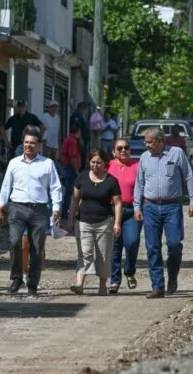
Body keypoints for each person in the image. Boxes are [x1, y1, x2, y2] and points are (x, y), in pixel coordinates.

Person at [133, 127, 193, 299]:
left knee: (175, 244)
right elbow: (139, 184)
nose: (146, 145)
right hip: (150, 207)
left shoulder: (176, 153)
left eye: (149, 142)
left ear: (161, 141)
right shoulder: (144, 158)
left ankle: (173, 275)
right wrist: (137, 207)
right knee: (152, 247)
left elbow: (189, 177)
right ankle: (158, 286)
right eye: (145, 142)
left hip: (172, 207)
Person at [0, 126, 63, 296]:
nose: (29, 146)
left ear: (39, 145)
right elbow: (5, 187)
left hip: (39, 209)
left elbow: (55, 187)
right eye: (26, 142)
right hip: (17, 207)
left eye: (33, 143)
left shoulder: (47, 164)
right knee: (14, 242)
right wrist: (0, 208)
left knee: (36, 247)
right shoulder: (14, 163)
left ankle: (32, 283)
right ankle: (16, 277)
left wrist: (56, 208)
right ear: (22, 144)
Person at [68, 149, 122, 296]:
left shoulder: (111, 181)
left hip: (104, 222)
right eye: (92, 162)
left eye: (99, 162)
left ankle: (102, 285)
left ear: (105, 163)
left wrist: (117, 223)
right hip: (83, 221)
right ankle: (79, 283)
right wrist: (71, 219)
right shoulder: (82, 178)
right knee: (84, 253)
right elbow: (75, 200)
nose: (95, 165)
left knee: (103, 255)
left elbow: (117, 203)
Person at [107, 137, 141, 294]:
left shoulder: (137, 166)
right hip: (112, 210)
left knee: (132, 242)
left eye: (126, 147)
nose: (123, 150)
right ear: (114, 152)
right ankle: (114, 280)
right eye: (119, 148)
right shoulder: (108, 166)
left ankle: (129, 270)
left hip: (132, 210)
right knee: (115, 247)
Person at [59, 124, 83, 219]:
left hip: (67, 167)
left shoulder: (69, 139)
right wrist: (76, 170)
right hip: (70, 168)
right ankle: (65, 213)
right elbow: (72, 157)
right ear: (77, 132)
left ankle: (66, 212)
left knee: (69, 192)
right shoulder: (72, 141)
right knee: (70, 192)